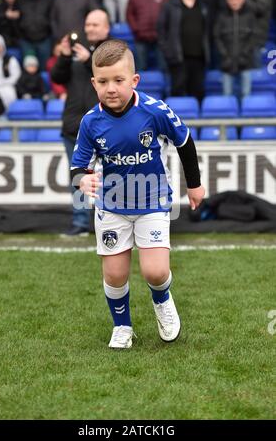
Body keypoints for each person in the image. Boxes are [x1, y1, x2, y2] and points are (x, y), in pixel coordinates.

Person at [70, 39, 205, 349]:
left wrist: (194, 184)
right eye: (103, 82)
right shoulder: (91, 122)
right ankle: (122, 326)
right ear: (94, 83)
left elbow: (184, 141)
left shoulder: (153, 111)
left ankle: (162, 300)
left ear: (134, 80)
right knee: (115, 275)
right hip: (112, 205)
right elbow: (79, 166)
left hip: (153, 201)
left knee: (155, 272)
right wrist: (82, 181)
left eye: (119, 80)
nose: (111, 88)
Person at [51, 9, 110, 235]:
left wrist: (89, 62)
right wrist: (65, 56)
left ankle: (109, 221)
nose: (90, 29)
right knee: (78, 177)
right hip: (74, 125)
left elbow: (114, 79)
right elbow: (57, 78)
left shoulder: (115, 52)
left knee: (109, 175)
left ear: (106, 28)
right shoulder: (77, 51)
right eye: (88, 24)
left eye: (96, 25)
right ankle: (80, 222)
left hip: (104, 126)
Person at [158, 0, 209, 102]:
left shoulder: (202, 4)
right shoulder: (170, 5)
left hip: (199, 57)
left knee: (198, 91)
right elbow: (161, 31)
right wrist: (168, 52)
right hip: (178, 58)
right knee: (177, 91)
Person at [126, 0, 172, 71]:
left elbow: (171, 14)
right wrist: (136, 29)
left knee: (164, 69)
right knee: (140, 69)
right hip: (141, 37)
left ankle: (166, 87)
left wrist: (166, 31)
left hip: (161, 38)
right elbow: (129, 14)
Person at [215, 0, 255, 97]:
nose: (234, 2)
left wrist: (245, 54)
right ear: (227, 0)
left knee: (246, 94)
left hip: (245, 62)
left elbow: (252, 37)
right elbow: (217, 37)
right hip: (226, 62)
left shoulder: (249, 16)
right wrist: (224, 55)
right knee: (227, 95)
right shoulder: (221, 16)